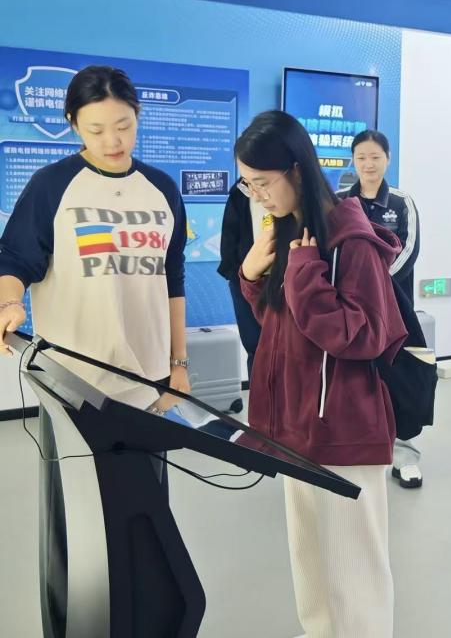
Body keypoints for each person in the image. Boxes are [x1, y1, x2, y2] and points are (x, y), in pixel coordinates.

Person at [0, 65, 189, 637]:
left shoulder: (161, 189)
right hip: (74, 388)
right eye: (97, 128)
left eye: (124, 126)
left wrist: (178, 365)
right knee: (77, 526)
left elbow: (172, 281)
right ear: (73, 124)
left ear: (138, 117)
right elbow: (15, 260)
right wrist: (9, 303)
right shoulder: (53, 185)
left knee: (144, 519)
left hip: (145, 387)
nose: (113, 141)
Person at [237, 111, 406, 638]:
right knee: (311, 563)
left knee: (354, 571)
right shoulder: (291, 231)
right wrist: (251, 274)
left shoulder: (350, 239)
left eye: (262, 182)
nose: (257, 195)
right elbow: (280, 324)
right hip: (297, 423)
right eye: (247, 185)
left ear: (296, 170)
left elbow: (364, 334)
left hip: (343, 427)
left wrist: (306, 275)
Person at [336, 129, 424, 489]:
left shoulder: (402, 202)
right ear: (353, 161)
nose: (368, 164)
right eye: (361, 157)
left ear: (387, 159)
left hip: (395, 309)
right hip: (352, 309)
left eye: (375, 157)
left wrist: (374, 283)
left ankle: (405, 455)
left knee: (399, 378)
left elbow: (410, 248)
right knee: (355, 378)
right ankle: (359, 449)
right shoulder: (341, 201)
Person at [217, 178, 266, 380]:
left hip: (284, 282)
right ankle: (258, 398)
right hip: (244, 280)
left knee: (287, 349)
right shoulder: (240, 193)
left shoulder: (294, 192)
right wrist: (239, 276)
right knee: (256, 348)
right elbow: (228, 242)